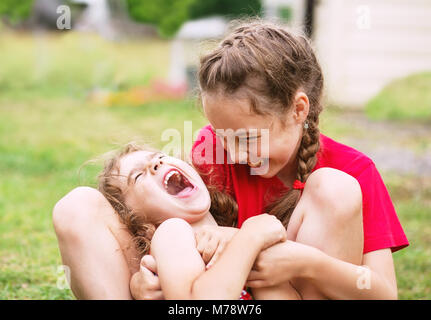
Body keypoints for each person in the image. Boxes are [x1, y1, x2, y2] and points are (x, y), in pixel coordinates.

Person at [136, 20, 409, 300]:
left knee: (335, 187)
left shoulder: (354, 170)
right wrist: (145, 278)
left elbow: (383, 293)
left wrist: (309, 263)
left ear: (298, 109)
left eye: (248, 138)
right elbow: (176, 239)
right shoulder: (212, 154)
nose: (234, 154)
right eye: (221, 135)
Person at [53, 142, 296, 299]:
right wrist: (251, 238)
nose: (156, 163)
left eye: (160, 156)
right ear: (139, 220)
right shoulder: (173, 233)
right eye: (138, 176)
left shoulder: (238, 234)